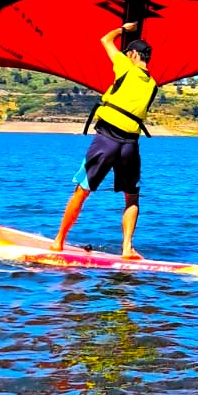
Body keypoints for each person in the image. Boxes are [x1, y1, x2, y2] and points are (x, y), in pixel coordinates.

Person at [53, 22, 157, 259]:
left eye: (127, 53)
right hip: (130, 145)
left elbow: (104, 40)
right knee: (131, 196)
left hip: (107, 140)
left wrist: (122, 29)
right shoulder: (153, 85)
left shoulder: (125, 66)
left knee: (82, 190)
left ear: (132, 55)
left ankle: (58, 241)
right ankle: (127, 248)